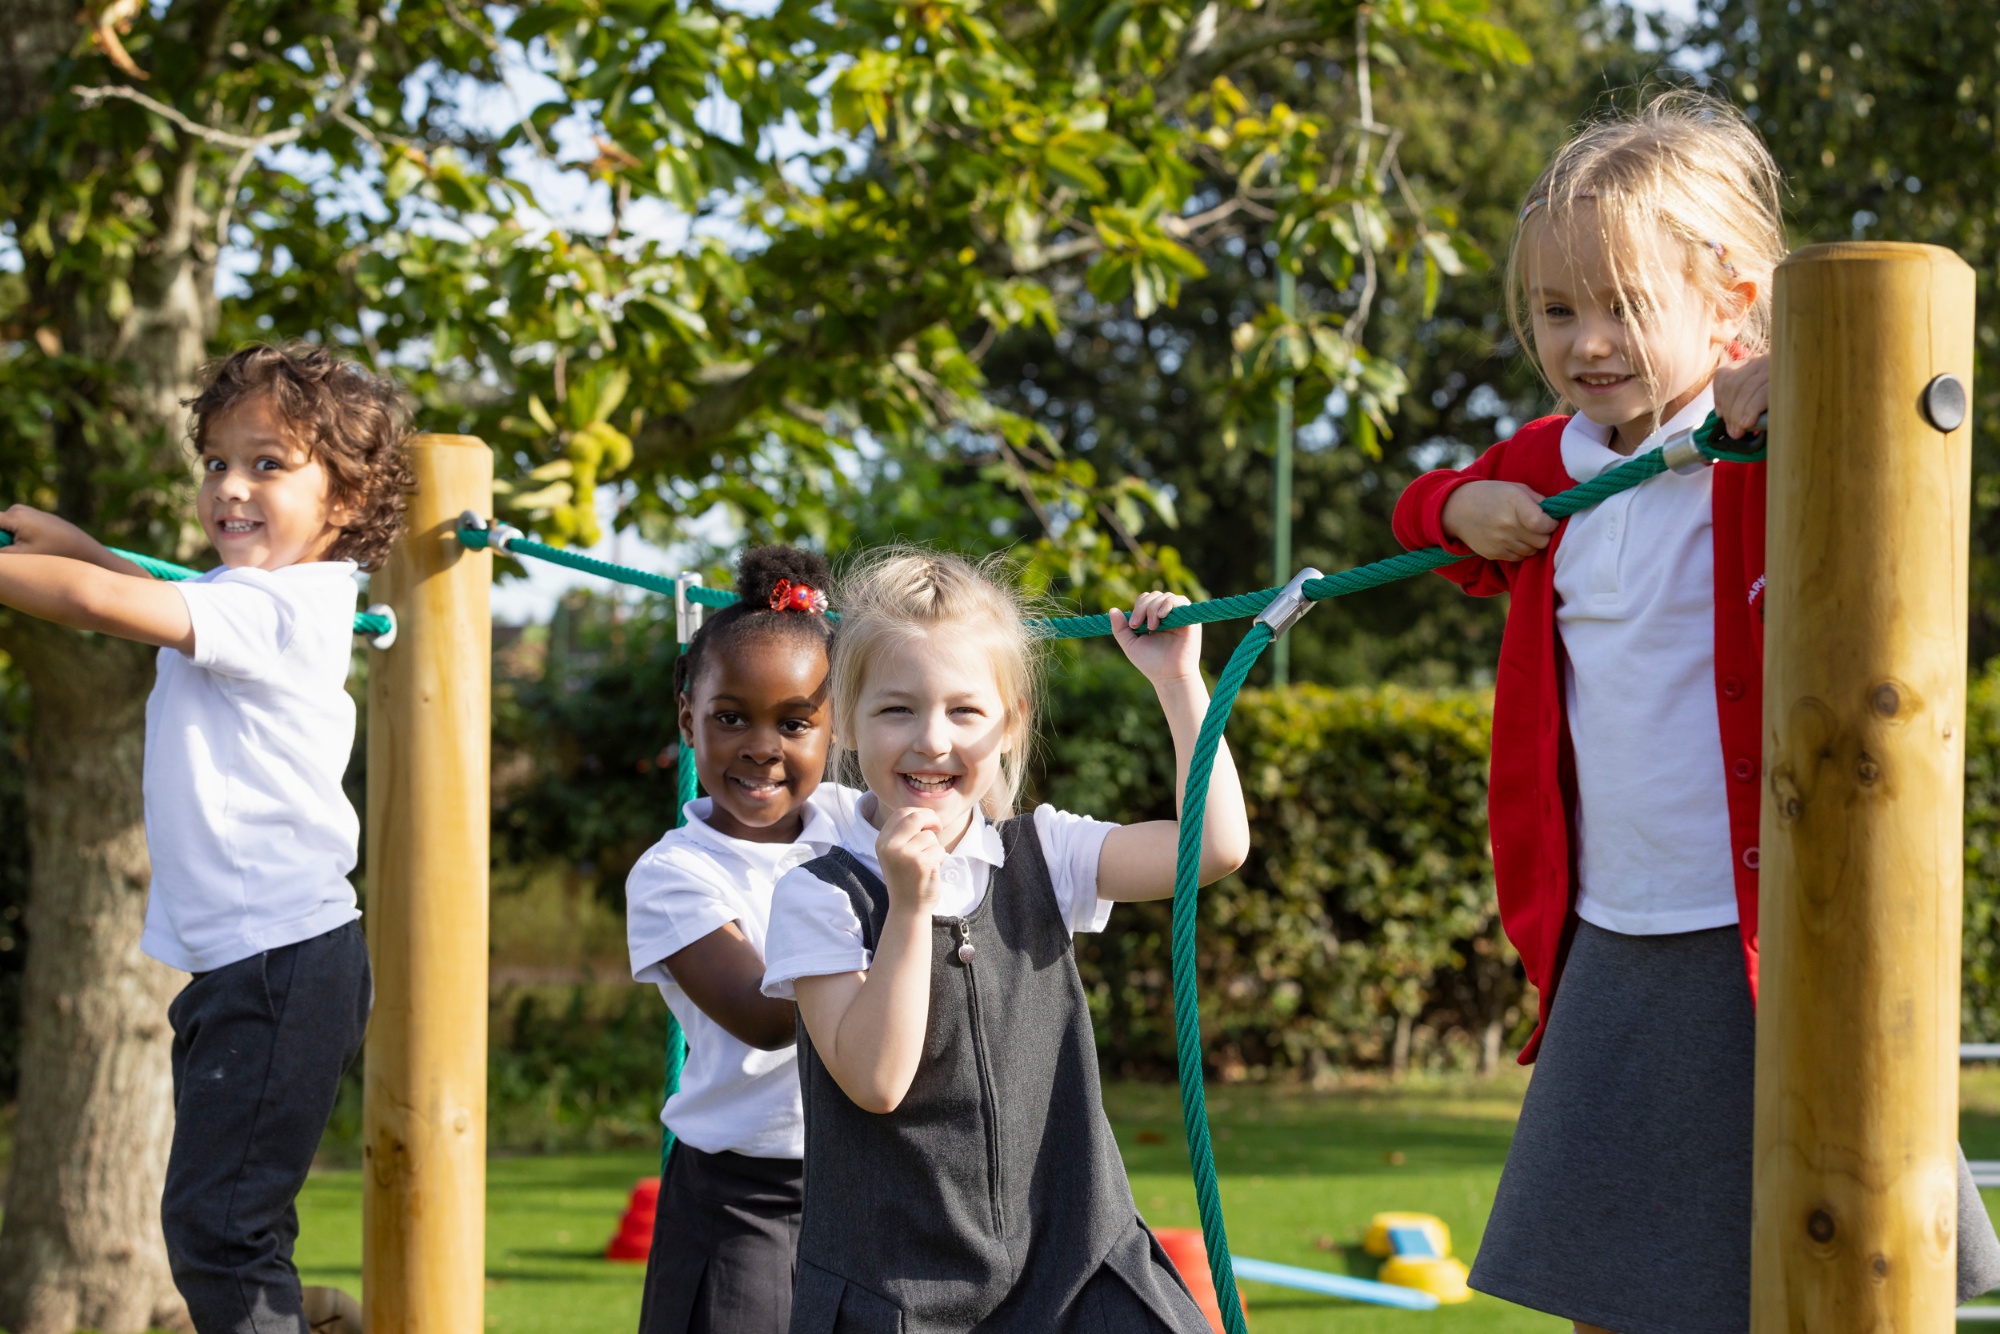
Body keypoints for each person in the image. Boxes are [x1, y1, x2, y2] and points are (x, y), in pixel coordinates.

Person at [1390, 92, 2000, 1333]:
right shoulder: (1549, 462)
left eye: (1623, 304)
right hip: (1611, 925)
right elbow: (1420, 517)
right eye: (1555, 310)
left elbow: (1894, 419)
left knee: (1828, 1255)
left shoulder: (1765, 433)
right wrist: (1453, 507)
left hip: (1770, 920)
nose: (1586, 341)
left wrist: (1800, 377)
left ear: (1730, 300)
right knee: (1605, 1278)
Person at [0, 343, 411, 1333]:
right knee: (226, 1220)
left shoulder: (283, 605)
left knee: (220, 1229)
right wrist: (76, 543)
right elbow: (134, 593)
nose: (230, 485)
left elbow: (103, 603)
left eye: (268, 464)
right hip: (256, 963)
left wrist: (68, 567)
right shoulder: (250, 600)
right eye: (217, 461)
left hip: (277, 962)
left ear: (347, 499)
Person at [758, 548, 1249, 1333]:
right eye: (896, 710)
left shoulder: (1044, 855)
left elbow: (1214, 847)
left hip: (1076, 1269)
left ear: (1011, 721)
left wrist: (1177, 682)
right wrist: (910, 907)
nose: (932, 740)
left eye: (965, 711)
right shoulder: (819, 894)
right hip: (901, 1296)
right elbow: (877, 1081)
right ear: (842, 718)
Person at [624, 545, 854, 1334]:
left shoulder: (858, 826)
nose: (762, 746)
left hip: (866, 1183)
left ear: (835, 728)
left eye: (794, 723)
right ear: (688, 720)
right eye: (731, 718)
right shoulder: (673, 873)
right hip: (740, 1197)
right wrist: (905, 955)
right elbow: (764, 1013)